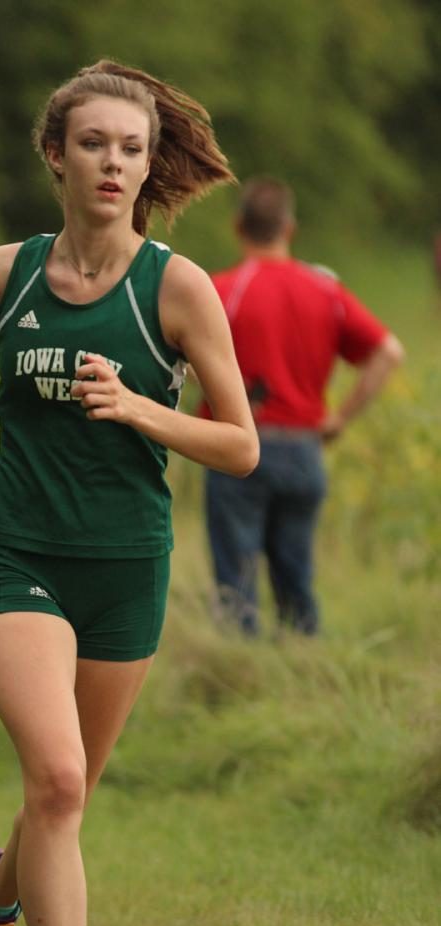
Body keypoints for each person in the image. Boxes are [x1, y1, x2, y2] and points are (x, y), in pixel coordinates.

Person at [0, 60, 259, 926]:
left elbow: (240, 445)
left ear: (148, 165)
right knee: (62, 783)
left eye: (132, 149)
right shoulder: (5, 270)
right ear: (54, 154)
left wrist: (139, 409)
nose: (113, 165)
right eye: (93, 145)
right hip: (16, 555)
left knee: (58, 798)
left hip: (125, 565)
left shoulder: (178, 288)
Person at [200, 176, 404, 636]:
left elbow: (185, 360)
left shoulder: (222, 290)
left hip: (238, 450)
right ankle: (303, 668)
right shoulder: (325, 291)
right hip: (304, 449)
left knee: (236, 581)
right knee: (295, 577)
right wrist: (339, 419)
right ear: (289, 229)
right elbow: (388, 352)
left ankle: (238, 677)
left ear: (238, 227)